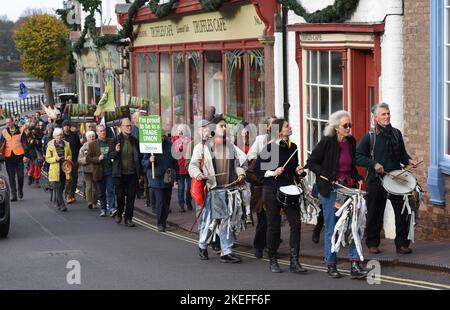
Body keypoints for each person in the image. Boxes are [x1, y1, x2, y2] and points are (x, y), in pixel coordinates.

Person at [307, 111, 367, 279]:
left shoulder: (351, 141)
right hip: (331, 190)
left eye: (350, 125)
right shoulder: (327, 142)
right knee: (333, 227)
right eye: (345, 126)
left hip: (348, 189)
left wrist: (357, 176)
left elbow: (351, 165)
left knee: (354, 225)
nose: (349, 128)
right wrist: (326, 175)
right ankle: (331, 263)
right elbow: (311, 162)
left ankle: (355, 264)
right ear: (336, 128)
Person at [356, 103, 419, 255]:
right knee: (375, 213)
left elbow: (402, 155)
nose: (387, 116)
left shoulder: (396, 133)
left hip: (396, 179)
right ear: (375, 118)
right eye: (383, 114)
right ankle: (372, 243)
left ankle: (402, 244)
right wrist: (373, 163)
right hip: (376, 181)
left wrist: (409, 161)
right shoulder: (369, 137)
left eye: (388, 113)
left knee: (402, 212)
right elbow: (357, 156)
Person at [253, 118, 307, 274]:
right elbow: (257, 169)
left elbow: (293, 167)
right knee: (273, 226)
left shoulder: (293, 147)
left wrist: (297, 170)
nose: (290, 127)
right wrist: (273, 172)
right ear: (279, 130)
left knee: (296, 224)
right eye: (286, 126)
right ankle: (272, 260)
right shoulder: (270, 148)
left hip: (289, 190)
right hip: (271, 190)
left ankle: (294, 261)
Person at [189, 116, 245, 263]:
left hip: (230, 190)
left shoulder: (231, 146)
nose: (225, 128)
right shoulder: (203, 147)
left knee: (227, 222)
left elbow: (238, 165)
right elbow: (193, 165)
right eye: (222, 126)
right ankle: (202, 245)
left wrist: (241, 174)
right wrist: (198, 174)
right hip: (213, 189)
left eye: (225, 126)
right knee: (210, 221)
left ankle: (226, 251)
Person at [246, 115, 277, 259]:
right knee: (263, 219)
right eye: (272, 124)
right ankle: (259, 246)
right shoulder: (261, 140)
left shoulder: (281, 141)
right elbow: (250, 158)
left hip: (276, 183)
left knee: (274, 219)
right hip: (261, 185)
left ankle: (271, 245)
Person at [109, 118, 143, 227]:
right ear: (121, 127)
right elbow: (110, 155)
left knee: (131, 198)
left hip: (132, 174)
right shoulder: (115, 140)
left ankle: (128, 218)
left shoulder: (134, 140)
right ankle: (119, 212)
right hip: (119, 175)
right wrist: (116, 151)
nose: (129, 128)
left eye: (130, 126)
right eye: (126, 126)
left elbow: (139, 157)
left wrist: (140, 174)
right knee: (119, 197)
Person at [142, 132, 178, 231]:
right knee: (160, 201)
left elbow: (175, 161)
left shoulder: (169, 145)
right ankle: (160, 223)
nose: (161, 138)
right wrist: (149, 160)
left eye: (162, 136)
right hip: (156, 178)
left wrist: (177, 176)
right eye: (159, 136)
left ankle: (164, 220)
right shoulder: (150, 146)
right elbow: (144, 163)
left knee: (166, 202)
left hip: (168, 177)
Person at [86, 125, 116, 217]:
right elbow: (88, 158)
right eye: (101, 131)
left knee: (110, 190)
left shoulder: (110, 141)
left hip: (109, 170)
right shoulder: (92, 144)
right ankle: (103, 209)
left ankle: (112, 208)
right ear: (97, 133)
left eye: (104, 131)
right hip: (99, 171)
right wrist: (98, 159)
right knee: (101, 192)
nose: (103, 133)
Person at [45, 128, 72, 212]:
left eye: (60, 135)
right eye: (57, 135)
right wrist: (55, 158)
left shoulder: (66, 144)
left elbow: (70, 154)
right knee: (58, 186)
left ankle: (57, 202)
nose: (59, 137)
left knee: (62, 186)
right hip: (55, 168)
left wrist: (68, 158)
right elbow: (47, 158)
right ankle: (62, 205)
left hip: (65, 167)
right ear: (54, 136)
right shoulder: (50, 145)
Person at [0, 117, 27, 201]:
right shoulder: (4, 132)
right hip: (9, 157)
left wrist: (26, 155)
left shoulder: (21, 130)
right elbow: (1, 145)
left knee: (20, 176)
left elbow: (25, 143)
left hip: (19, 156)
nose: (8, 124)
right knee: (11, 177)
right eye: (6, 123)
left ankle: (20, 190)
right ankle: (14, 194)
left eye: (9, 122)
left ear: (13, 122)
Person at [172, 125, 193, 212]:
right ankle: (181, 205)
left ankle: (188, 202)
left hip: (188, 167)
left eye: (182, 130)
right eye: (179, 130)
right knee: (181, 187)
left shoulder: (190, 140)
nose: (180, 132)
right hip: (179, 168)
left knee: (190, 187)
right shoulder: (175, 140)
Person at [62, 120, 81, 204]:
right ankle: (67, 195)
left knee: (74, 179)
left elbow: (78, 147)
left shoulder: (74, 135)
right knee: (67, 179)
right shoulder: (61, 136)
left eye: (67, 125)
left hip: (74, 160)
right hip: (64, 161)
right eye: (65, 125)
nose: (66, 127)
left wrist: (78, 159)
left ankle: (72, 194)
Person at [78, 131, 98, 210]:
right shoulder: (83, 148)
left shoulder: (97, 145)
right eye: (90, 137)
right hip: (87, 170)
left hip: (96, 169)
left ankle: (95, 202)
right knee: (89, 186)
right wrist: (86, 160)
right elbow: (79, 159)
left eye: (93, 136)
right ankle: (90, 202)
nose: (92, 138)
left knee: (96, 188)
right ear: (87, 138)